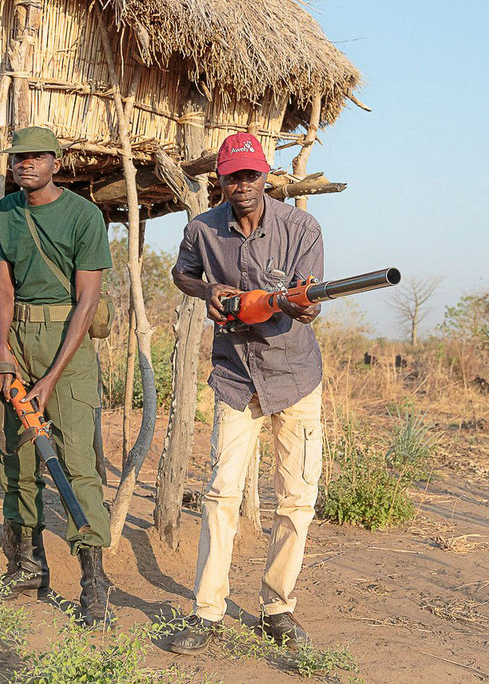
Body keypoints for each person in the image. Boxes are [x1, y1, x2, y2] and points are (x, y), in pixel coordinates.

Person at [169, 132, 324, 652]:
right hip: (236, 376)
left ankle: (277, 609)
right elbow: (182, 274)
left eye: (251, 175)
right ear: (221, 180)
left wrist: (299, 303)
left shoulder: (302, 227)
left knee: (297, 499)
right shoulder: (202, 229)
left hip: (295, 376)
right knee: (220, 495)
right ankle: (207, 612)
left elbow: (311, 301)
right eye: (233, 177)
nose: (243, 185)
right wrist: (210, 291)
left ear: (266, 175)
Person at [0, 126, 115, 627]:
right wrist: (2, 352)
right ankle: (27, 566)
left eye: (36, 157)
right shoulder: (9, 211)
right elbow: (4, 288)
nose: (25, 164)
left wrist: (52, 377)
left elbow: (87, 303)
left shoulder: (83, 216)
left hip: (68, 351)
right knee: (18, 459)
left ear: (56, 162)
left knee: (77, 464)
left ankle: (94, 582)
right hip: (19, 349)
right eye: (18, 158)